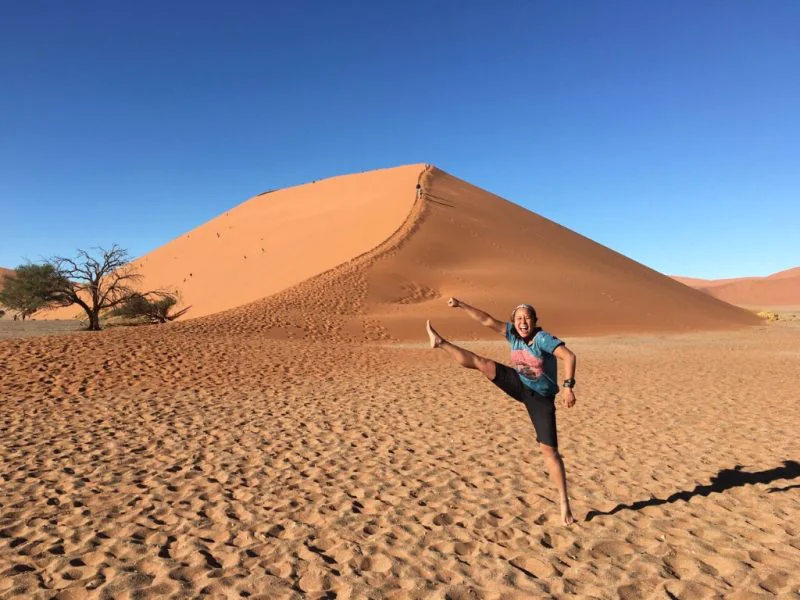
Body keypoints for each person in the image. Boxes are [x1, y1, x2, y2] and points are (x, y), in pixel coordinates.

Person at [426, 298, 578, 525]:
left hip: (541, 399)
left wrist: (568, 387)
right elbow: (487, 320)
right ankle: (440, 342)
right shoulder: (512, 334)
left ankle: (564, 504)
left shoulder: (542, 339)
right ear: (513, 322)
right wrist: (461, 305)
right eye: (518, 319)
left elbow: (569, 356)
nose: (523, 322)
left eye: (527, 318)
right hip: (519, 383)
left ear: (535, 321)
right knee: (482, 363)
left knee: (550, 453)